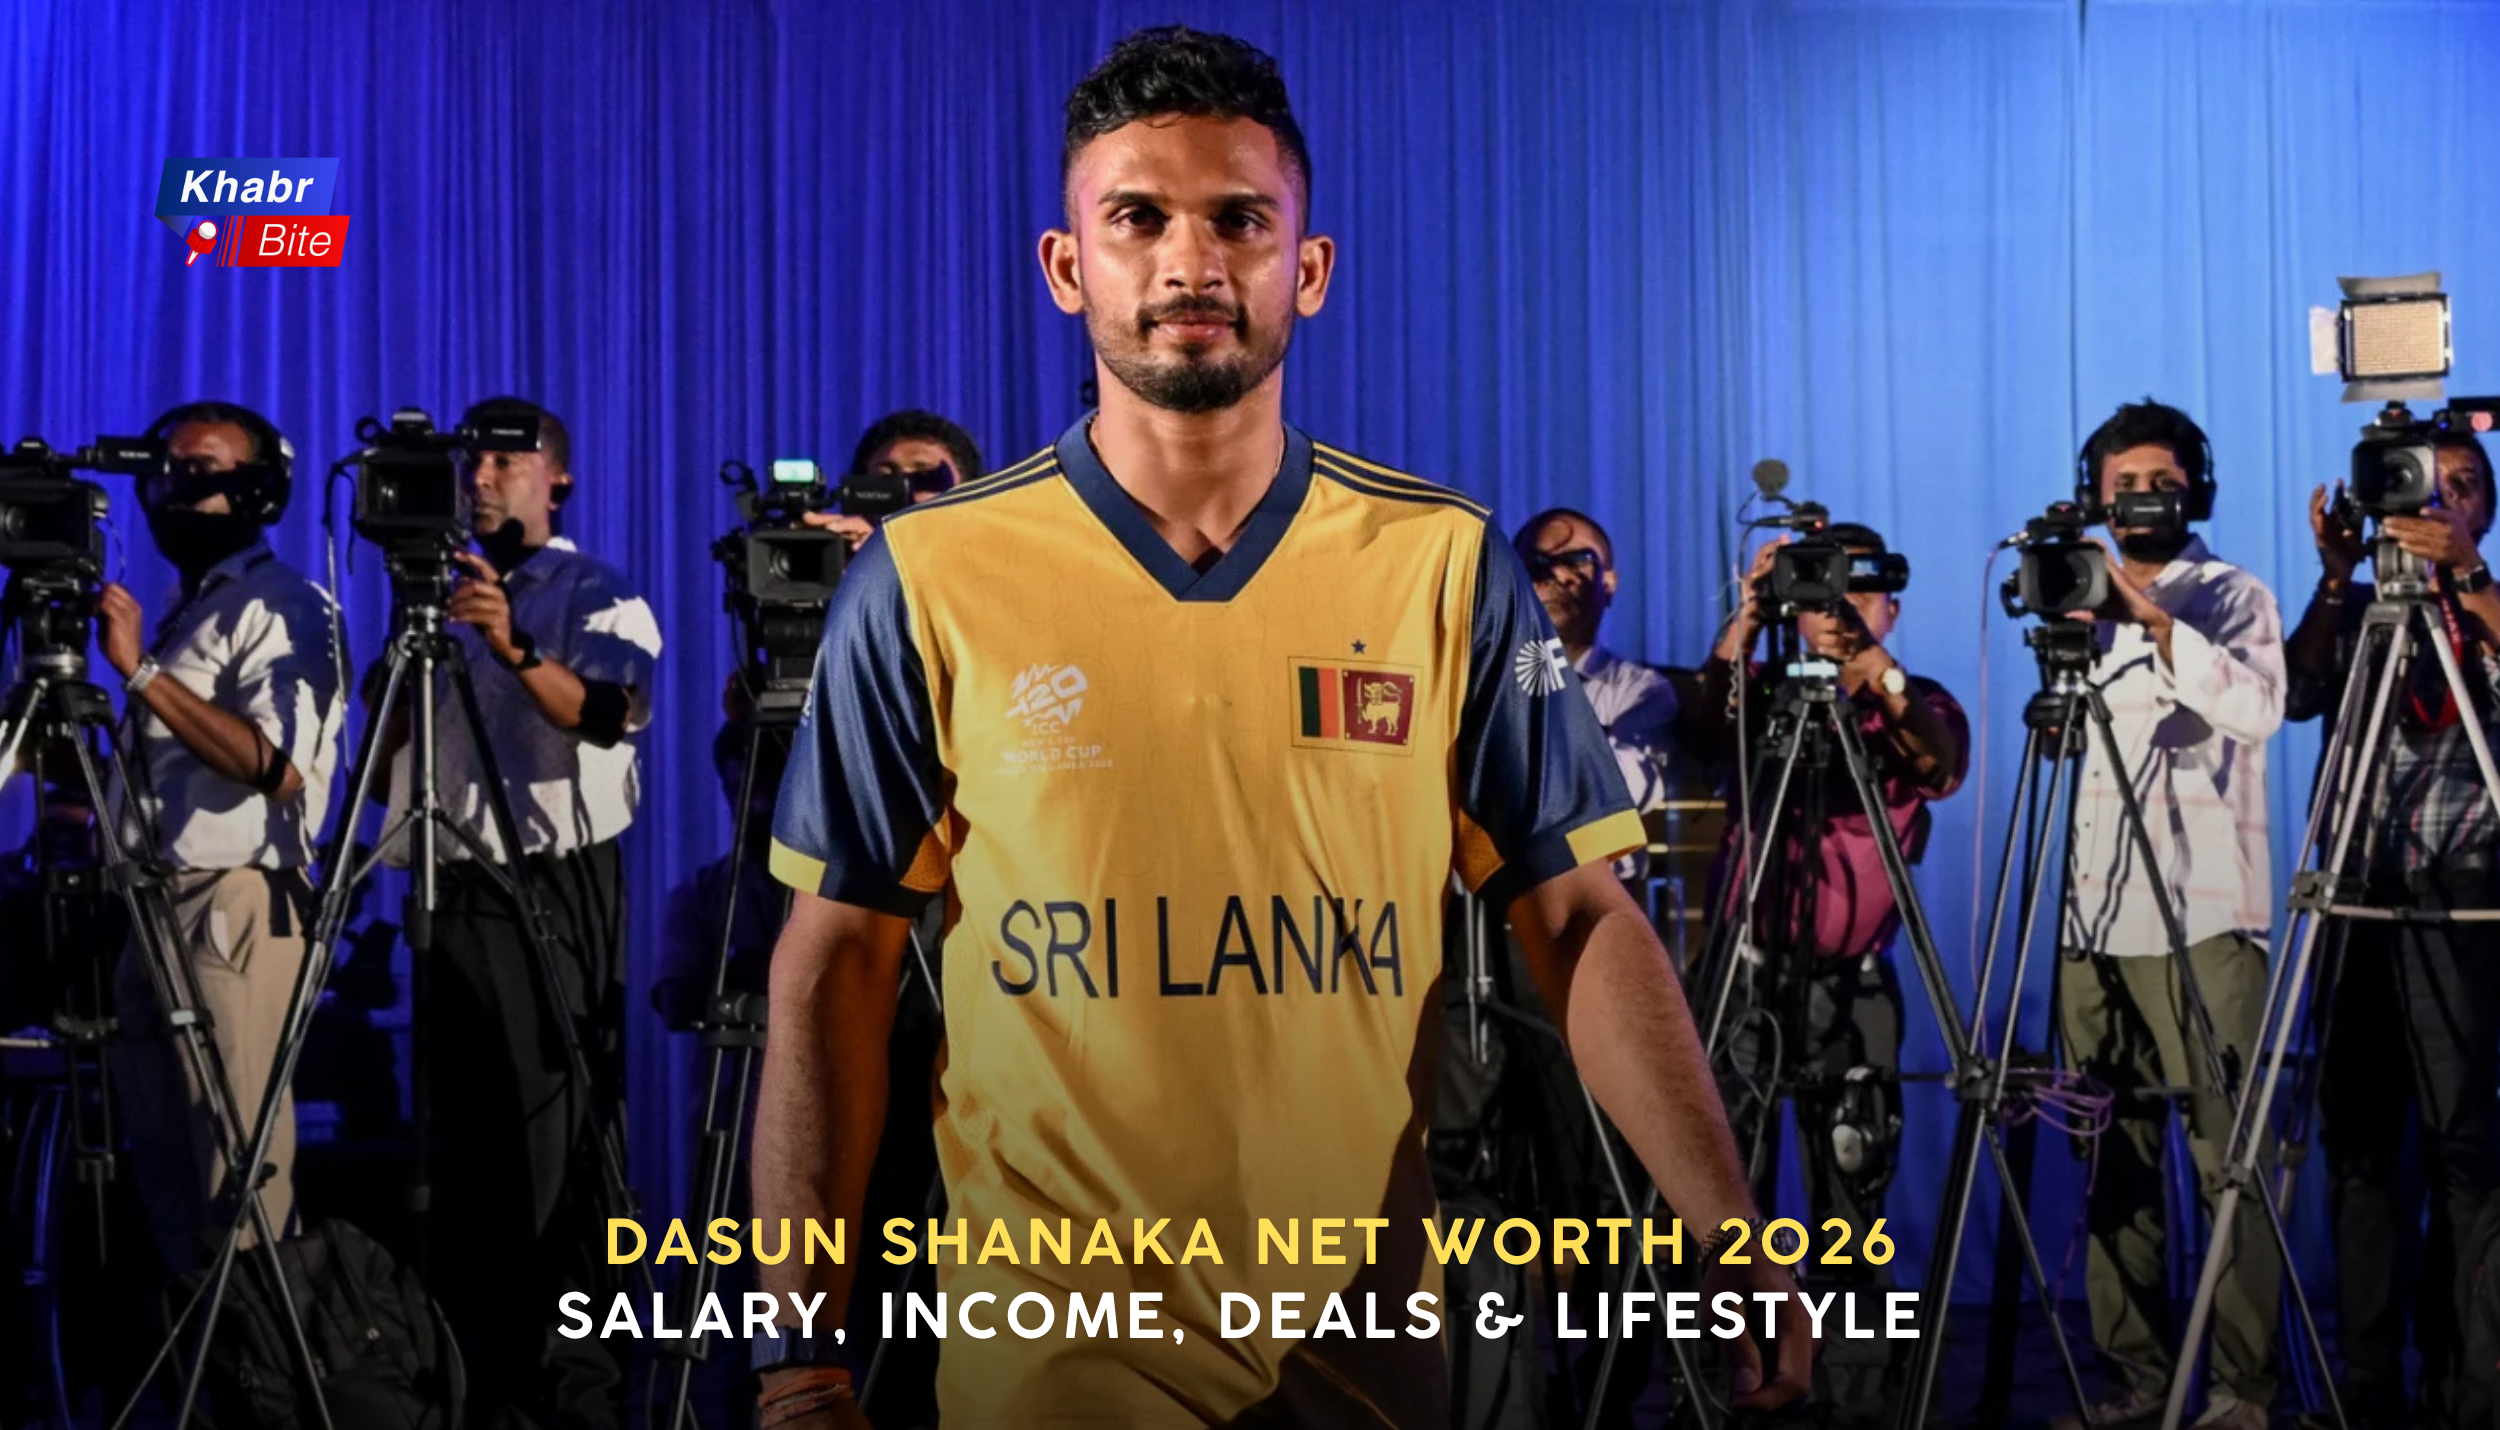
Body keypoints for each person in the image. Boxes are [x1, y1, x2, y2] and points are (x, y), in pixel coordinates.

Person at [748, 26, 1814, 1430]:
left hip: (1362, 1365)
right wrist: (797, 1352)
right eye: (1137, 218)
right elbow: (834, 968)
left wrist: (1729, 1225)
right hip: (1052, 1372)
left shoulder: (1441, 563)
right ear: (1068, 266)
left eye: (1239, 219)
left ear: (1306, 269)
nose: (1190, 261)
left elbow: (1577, 918)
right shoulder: (931, 580)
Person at [375, 395, 662, 1430]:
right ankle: (474, 1381)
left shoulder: (596, 587)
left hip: (555, 881)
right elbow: (386, 768)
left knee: (556, 1152)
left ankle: (572, 1393)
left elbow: (612, 712)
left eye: (509, 455)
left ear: (559, 479)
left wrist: (509, 645)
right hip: (450, 884)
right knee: (462, 1152)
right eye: (473, 458)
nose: (484, 472)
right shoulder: (440, 598)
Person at [1687, 520, 1966, 1415]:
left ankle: (1855, 1399)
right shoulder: (1761, 691)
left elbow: (1941, 762)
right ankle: (1734, 1387)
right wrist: (1748, 614)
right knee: (1729, 1210)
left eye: (1861, 593)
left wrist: (1866, 663)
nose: (1840, 611)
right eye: (1824, 595)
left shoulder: (1909, 695)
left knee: (1853, 1209)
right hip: (1751, 977)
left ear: (1891, 602)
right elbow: (1700, 730)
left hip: (1857, 988)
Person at [2053, 400, 2284, 1430]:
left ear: (2195, 487)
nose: (2139, 496)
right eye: (2121, 481)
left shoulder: (2231, 594)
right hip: (2090, 913)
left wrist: (2147, 619)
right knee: (2110, 1157)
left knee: (2228, 1157)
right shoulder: (2073, 597)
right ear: (2093, 491)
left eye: (2160, 479)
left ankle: (2240, 1387)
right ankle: (2135, 1381)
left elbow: (2254, 708)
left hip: (2203, 915)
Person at [96, 400, 343, 1273]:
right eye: (165, 470)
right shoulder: (189, 607)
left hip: (233, 903)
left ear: (257, 491)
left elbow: (277, 767)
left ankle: (266, 1385)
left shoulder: (283, 605)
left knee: (237, 1177)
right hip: (153, 910)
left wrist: (142, 674)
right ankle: (199, 1391)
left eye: (202, 471)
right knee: (167, 1183)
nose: (175, 488)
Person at [2286, 433, 2500, 1430]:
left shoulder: (2486, 604)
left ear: (2484, 513)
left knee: (2465, 1152)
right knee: (2361, 1147)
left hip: (2465, 899)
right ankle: (2362, 1389)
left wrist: (2467, 578)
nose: (2437, 499)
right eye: (2420, 483)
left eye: (2463, 487)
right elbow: (2294, 692)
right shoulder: (2364, 607)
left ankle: (2469, 1391)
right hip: (2361, 897)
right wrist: (2337, 578)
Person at [1512, 508, 1679, 872]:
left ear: (1609, 582)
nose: (1557, 574)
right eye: (1538, 563)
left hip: (1598, 904)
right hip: (1476, 911)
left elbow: (1623, 788)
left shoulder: (1641, 692)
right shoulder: (1472, 682)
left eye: (1578, 561)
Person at [803, 409, 987, 550]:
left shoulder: (995, 559)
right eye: (885, 477)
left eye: (925, 476)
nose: (903, 487)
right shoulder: (847, 554)